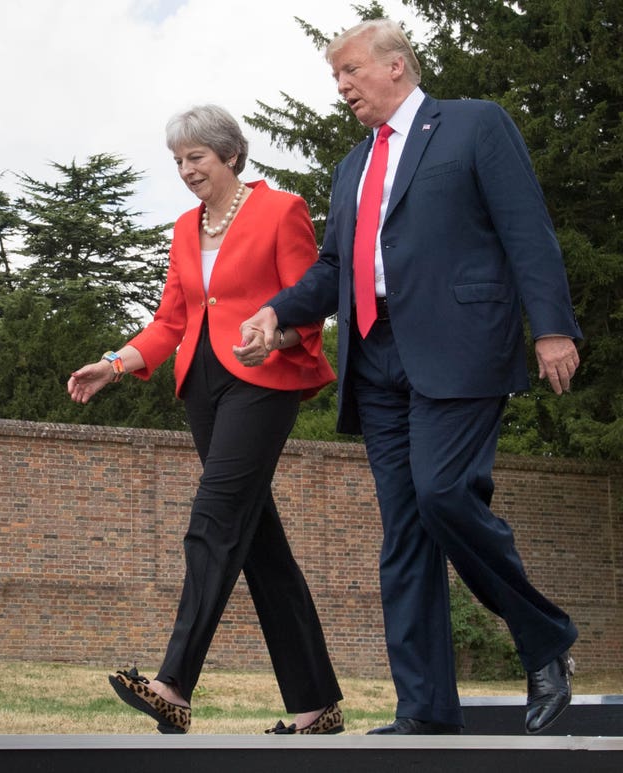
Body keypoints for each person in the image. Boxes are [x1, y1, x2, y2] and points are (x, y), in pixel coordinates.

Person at [237, 19, 581, 735]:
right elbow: (334, 267)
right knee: (405, 533)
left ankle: (543, 633)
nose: (343, 88)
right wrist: (276, 311)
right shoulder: (352, 166)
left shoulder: (475, 126)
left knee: (444, 492)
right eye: (336, 79)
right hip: (377, 355)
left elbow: (526, 227)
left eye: (351, 73)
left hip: (460, 343)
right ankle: (424, 710)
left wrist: (552, 327)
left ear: (397, 66)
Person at [67, 104, 344, 736]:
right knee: (259, 544)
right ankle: (318, 705)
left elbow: (309, 299)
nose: (186, 171)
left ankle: (173, 685)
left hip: (263, 379)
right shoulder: (184, 228)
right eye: (178, 162)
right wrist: (115, 362)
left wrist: (276, 339)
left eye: (196, 158)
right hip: (203, 386)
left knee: (214, 519)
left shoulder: (281, 210)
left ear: (230, 155)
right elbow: (173, 320)